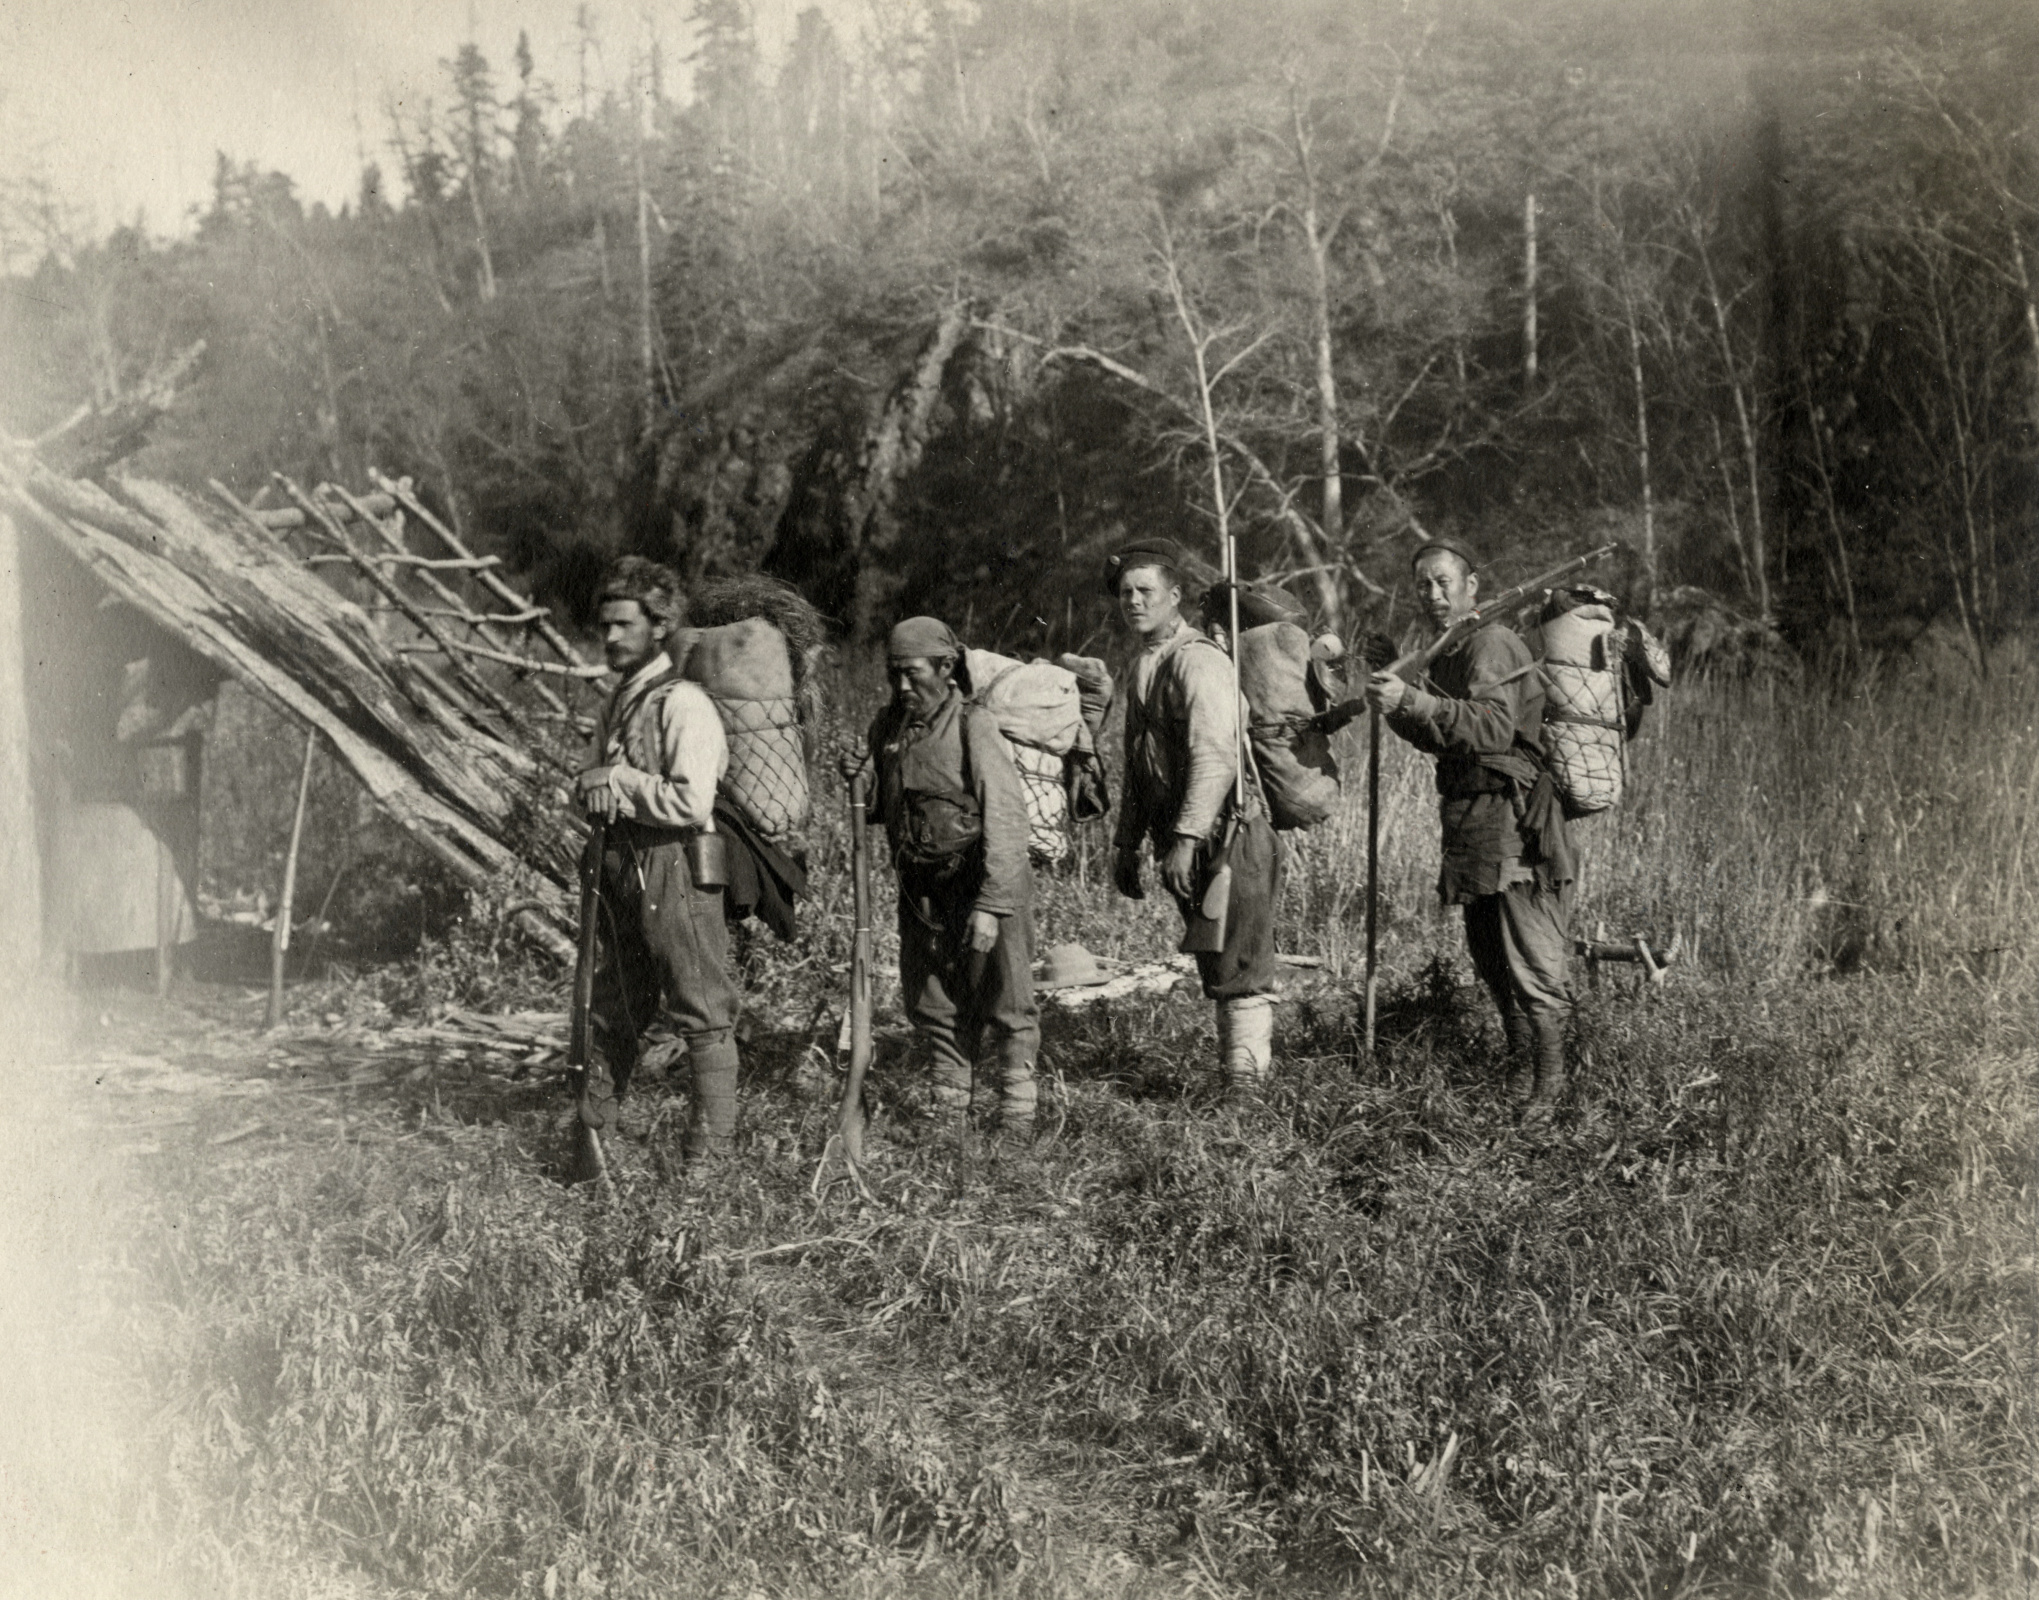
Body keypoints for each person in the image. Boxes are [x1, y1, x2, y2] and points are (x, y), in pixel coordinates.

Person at [1364, 536, 1577, 1116]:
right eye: (1422, 586)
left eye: (1443, 583)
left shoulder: (1490, 643)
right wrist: (1401, 696)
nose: (1432, 595)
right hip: (1472, 823)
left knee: (1529, 957)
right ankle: (1516, 1073)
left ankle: (1550, 1086)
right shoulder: (1448, 652)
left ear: (1471, 585)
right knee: (1489, 956)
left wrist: (1416, 699)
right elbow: (1439, 736)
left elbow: (1489, 730)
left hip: (1515, 822)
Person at [574, 556, 744, 1166]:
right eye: (606, 626)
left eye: (624, 625)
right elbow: (591, 778)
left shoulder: (684, 704)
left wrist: (617, 781)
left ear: (660, 626)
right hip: (620, 864)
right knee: (615, 1007)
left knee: (700, 1007)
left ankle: (709, 1157)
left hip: (675, 864)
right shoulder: (617, 703)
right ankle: (596, 1141)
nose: (611, 637)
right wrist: (597, 784)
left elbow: (692, 799)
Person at [1107, 538, 1282, 1094]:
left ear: (1175, 596)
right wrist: (1125, 842)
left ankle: (1247, 1104)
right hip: (1192, 842)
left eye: (1145, 591)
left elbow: (1216, 755)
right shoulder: (1144, 664)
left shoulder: (1199, 661)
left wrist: (1183, 838)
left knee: (1240, 971)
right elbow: (1139, 767)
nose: (1133, 602)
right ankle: (1238, 1088)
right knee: (1219, 967)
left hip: (1231, 838)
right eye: (1125, 593)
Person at [866, 616, 1041, 1142]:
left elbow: (1008, 818)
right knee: (934, 1000)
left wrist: (991, 905)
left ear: (945, 668)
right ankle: (949, 1117)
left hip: (983, 882)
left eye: (912, 673)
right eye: (893, 674)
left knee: (1007, 1001)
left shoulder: (973, 724)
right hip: (922, 891)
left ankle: (1016, 1121)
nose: (901, 687)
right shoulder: (888, 727)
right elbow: (882, 808)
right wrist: (861, 777)